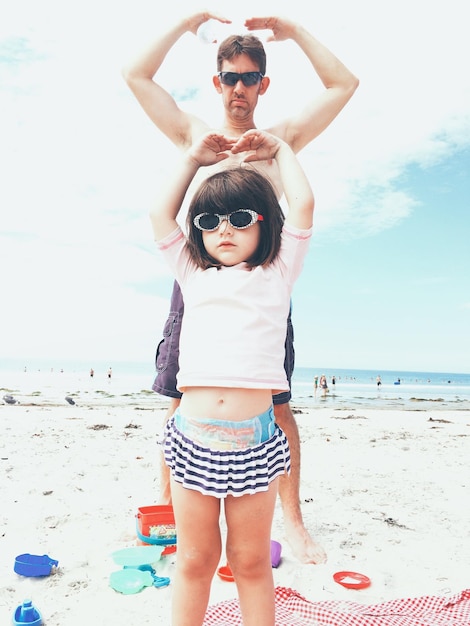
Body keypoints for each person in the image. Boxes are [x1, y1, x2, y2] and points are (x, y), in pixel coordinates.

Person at [122, 10, 358, 564]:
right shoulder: (193, 136)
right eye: (230, 76)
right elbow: (136, 75)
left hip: (264, 290)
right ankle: (170, 509)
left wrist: (296, 31)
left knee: (278, 403)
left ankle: (293, 522)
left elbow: (344, 84)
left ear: (262, 84)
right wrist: (186, 23)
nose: (239, 87)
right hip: (197, 283)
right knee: (180, 397)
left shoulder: (282, 139)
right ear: (217, 81)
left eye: (249, 77)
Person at [150, 128, 314, 626]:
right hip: (193, 439)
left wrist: (280, 150)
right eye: (209, 220)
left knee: (249, 560)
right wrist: (191, 159)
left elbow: (304, 204)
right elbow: (161, 214)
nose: (225, 229)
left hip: (256, 442)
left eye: (241, 218)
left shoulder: (278, 272)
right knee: (196, 560)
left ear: (265, 225)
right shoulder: (191, 274)